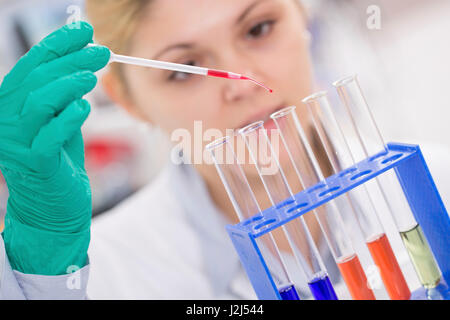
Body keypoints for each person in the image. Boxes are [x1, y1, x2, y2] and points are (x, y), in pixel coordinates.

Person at [0, 0, 448, 300]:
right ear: (126, 99)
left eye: (259, 28)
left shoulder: (441, 183)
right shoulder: (94, 278)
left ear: (304, 19)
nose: (240, 81)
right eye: (185, 68)